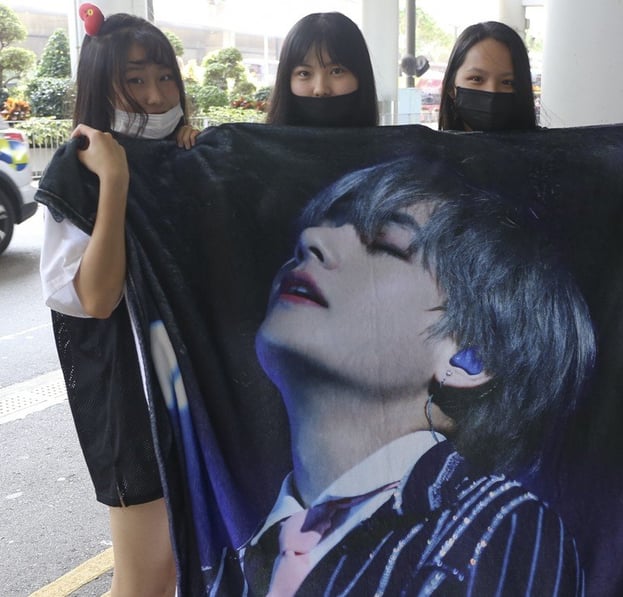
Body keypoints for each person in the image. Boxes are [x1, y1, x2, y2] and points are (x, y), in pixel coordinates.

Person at [210, 158, 594, 595]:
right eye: (324, 225)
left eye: (385, 246)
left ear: (469, 358)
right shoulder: (239, 550)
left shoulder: (505, 527)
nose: (310, 239)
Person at [38, 6, 197, 597]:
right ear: (103, 82)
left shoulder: (181, 154)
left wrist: (195, 162)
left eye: (165, 78)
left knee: (178, 564)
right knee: (145, 578)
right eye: (135, 79)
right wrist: (117, 180)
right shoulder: (80, 168)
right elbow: (96, 298)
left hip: (186, 389)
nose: (156, 96)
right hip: (130, 401)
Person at [265, 12, 378, 127]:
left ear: (362, 76)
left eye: (336, 71)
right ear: (286, 79)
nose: (320, 89)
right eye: (304, 73)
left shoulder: (390, 144)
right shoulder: (255, 144)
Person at [438, 21, 537, 132]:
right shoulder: (424, 147)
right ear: (451, 87)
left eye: (507, 82)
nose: (492, 91)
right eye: (477, 79)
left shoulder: (549, 148)